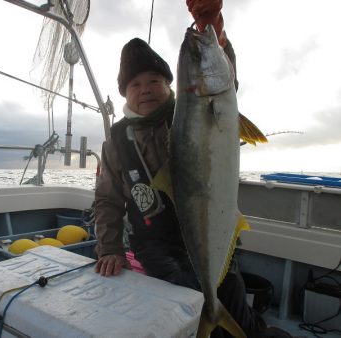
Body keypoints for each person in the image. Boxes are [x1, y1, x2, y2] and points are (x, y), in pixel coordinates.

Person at [93, 3, 292, 338]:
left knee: (234, 304)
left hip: (211, 233)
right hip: (156, 246)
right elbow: (107, 201)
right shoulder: (116, 140)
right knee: (185, 298)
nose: (145, 89)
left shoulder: (189, 110)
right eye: (135, 84)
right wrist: (109, 248)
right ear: (125, 93)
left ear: (172, 85)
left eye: (154, 80)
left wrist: (213, 26)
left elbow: (222, 80)